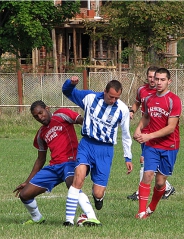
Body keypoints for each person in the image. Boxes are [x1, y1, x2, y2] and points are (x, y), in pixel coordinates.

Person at [13, 100, 101, 226]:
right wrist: (27, 181)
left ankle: (92, 217)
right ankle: (37, 218)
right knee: (25, 194)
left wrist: (92, 137)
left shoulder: (61, 114)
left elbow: (81, 120)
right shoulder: (40, 134)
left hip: (71, 162)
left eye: (41, 113)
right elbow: (40, 159)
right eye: (36, 116)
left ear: (47, 108)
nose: (40, 117)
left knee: (73, 185)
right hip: (54, 167)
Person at [62, 76, 133, 226]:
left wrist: (128, 157)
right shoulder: (90, 97)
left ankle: (98, 197)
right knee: (78, 178)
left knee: (98, 192)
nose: (113, 100)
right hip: (87, 144)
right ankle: (68, 221)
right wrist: (71, 83)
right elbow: (67, 92)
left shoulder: (123, 109)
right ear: (104, 91)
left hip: (105, 151)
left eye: (116, 98)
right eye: (111, 96)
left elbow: (126, 135)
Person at [133, 68, 181, 219]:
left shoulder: (174, 100)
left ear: (169, 81)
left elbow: (171, 127)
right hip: (152, 145)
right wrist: (139, 128)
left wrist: (148, 136)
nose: (158, 82)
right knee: (147, 174)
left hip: (169, 146)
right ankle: (141, 212)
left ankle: (151, 208)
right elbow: (146, 116)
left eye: (162, 80)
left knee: (160, 183)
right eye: (156, 79)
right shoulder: (148, 98)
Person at [127, 66, 175, 201]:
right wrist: (132, 112)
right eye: (151, 77)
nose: (154, 80)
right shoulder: (142, 91)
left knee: (146, 163)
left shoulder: (168, 97)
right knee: (145, 161)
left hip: (158, 135)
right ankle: (143, 193)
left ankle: (164, 186)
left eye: (158, 78)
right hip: (146, 131)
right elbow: (138, 104)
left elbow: (171, 126)